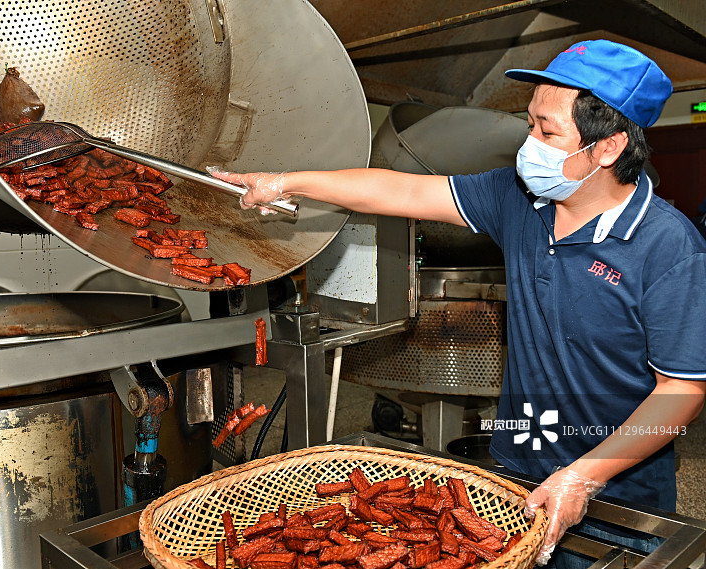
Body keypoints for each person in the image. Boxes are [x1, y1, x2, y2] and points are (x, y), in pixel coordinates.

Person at [212, 39, 706, 567]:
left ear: (607, 148)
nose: (529, 143)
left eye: (547, 130)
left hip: (617, 491)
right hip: (517, 463)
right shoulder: (518, 198)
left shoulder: (670, 248)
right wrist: (284, 182)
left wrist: (584, 478)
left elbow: (681, 390)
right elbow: (400, 192)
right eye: (529, 123)